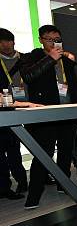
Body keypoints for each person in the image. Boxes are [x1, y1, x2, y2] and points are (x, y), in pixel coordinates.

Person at [19, 25, 77, 209]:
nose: (54, 43)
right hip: (45, 112)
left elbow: (73, 86)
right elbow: (28, 76)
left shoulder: (66, 58)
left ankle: (64, 184)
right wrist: (50, 58)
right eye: (49, 39)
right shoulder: (32, 57)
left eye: (57, 39)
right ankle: (34, 195)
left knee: (65, 151)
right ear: (40, 39)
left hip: (67, 112)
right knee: (43, 153)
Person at [0, 28, 28, 194]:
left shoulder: (25, 59)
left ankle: (43, 176)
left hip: (30, 105)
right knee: (10, 148)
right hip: (6, 109)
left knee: (38, 144)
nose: (5, 45)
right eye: (2, 41)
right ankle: (10, 184)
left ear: (14, 41)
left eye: (8, 40)